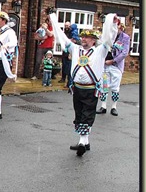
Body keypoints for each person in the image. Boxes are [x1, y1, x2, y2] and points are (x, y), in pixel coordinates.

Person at [50, 12, 118, 157]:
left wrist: (111, 23)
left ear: (94, 40)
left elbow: (108, 38)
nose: (84, 39)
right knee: (79, 113)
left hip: (91, 89)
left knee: (87, 114)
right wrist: (54, 21)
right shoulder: (75, 49)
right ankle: (85, 142)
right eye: (83, 37)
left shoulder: (100, 51)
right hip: (76, 89)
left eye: (87, 37)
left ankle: (81, 142)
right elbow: (62, 37)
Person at [96, 16, 130, 116]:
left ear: (121, 27)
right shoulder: (107, 36)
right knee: (104, 86)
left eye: (117, 27)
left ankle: (114, 107)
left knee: (115, 87)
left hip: (116, 66)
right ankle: (103, 106)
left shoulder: (125, 38)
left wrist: (113, 61)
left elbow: (124, 53)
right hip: (105, 66)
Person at [60, 22, 80, 87]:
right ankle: (66, 81)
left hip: (70, 53)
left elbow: (74, 41)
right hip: (65, 51)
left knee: (69, 69)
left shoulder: (74, 32)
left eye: (68, 26)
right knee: (65, 66)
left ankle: (69, 83)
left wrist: (70, 54)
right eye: (65, 25)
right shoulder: (66, 32)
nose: (67, 27)